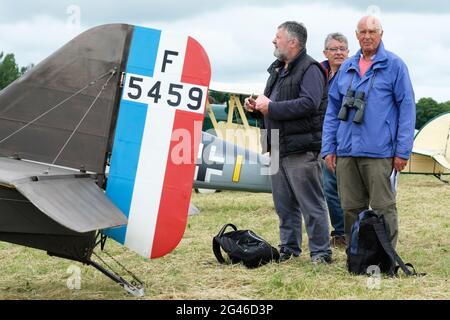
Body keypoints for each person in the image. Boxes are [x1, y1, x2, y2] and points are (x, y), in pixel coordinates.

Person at [321, 16, 416, 248]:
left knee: (383, 207)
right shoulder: (346, 68)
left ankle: (385, 255)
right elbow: (332, 111)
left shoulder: (395, 65)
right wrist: (328, 148)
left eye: (372, 31)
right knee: (351, 208)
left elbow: (407, 108)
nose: (367, 36)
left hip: (380, 151)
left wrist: (402, 151)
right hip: (346, 151)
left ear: (381, 34)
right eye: (362, 32)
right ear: (356, 35)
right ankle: (358, 255)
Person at [245, 21, 332, 264]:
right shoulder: (276, 70)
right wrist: (257, 109)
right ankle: (289, 249)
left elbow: (309, 104)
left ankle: (321, 253)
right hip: (275, 147)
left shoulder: (311, 68)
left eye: (278, 37)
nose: (274, 41)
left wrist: (270, 106)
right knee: (283, 205)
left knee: (311, 204)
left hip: (300, 149)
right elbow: (271, 107)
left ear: (293, 42)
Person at [320, 33, 349, 248]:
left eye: (342, 48)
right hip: (325, 138)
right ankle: (340, 231)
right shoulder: (318, 72)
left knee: (350, 189)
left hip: (347, 138)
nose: (338, 52)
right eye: (333, 49)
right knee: (329, 188)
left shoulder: (354, 73)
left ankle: (355, 230)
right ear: (325, 53)